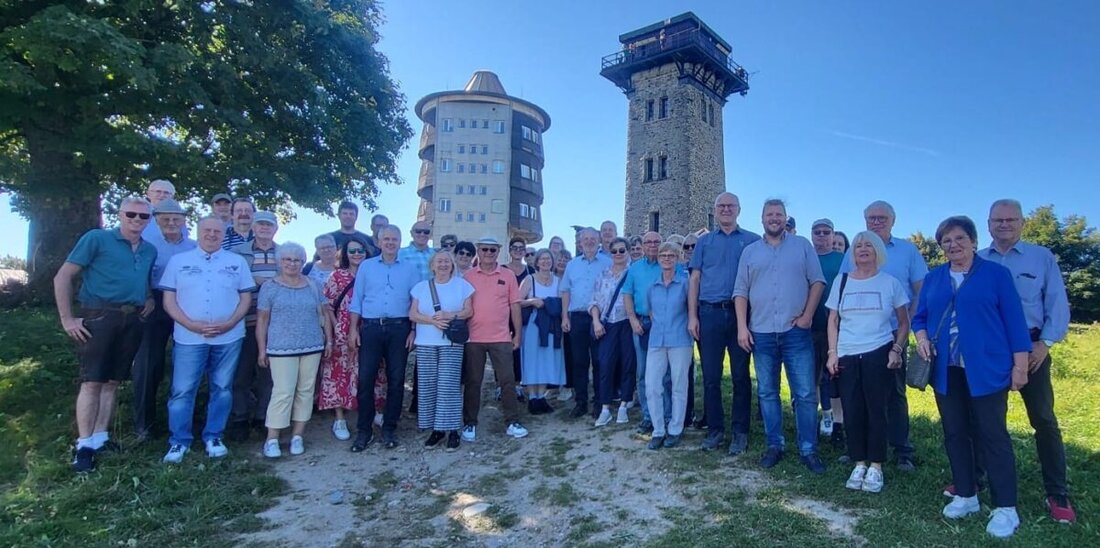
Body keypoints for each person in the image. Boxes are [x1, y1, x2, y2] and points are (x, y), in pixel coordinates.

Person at [912, 216, 1030, 539]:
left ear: (974, 242)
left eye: (960, 238)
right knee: (954, 432)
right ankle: (966, 494)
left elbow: (1015, 323)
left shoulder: (996, 275)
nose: (953, 245)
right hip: (946, 370)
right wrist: (921, 338)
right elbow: (920, 318)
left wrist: (1020, 367)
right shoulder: (935, 277)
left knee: (993, 435)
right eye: (946, 241)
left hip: (987, 370)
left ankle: (1006, 507)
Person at [978, 199, 1075, 523]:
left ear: (1022, 223)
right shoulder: (977, 261)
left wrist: (1044, 344)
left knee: (1043, 419)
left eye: (1010, 219)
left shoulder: (1041, 257)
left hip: (1032, 348)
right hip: (991, 352)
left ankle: (1057, 491)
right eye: (998, 220)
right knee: (986, 420)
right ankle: (974, 478)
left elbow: (1057, 303)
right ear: (988, 224)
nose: (1004, 225)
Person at [55, 197, 156, 473]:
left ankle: (101, 438)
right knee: (92, 381)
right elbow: (63, 277)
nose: (137, 220)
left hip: (132, 318)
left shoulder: (148, 250)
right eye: (131, 214)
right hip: (99, 315)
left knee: (112, 382)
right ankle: (84, 446)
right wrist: (67, 319)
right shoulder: (97, 239)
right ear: (120, 214)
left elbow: (142, 280)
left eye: (143, 216)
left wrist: (148, 298)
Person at [734, 199, 826, 474]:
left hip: (795, 332)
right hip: (761, 332)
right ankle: (774, 445)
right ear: (762, 219)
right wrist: (742, 327)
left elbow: (817, 282)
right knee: (767, 392)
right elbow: (740, 291)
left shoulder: (802, 246)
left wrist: (807, 316)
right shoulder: (750, 252)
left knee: (805, 393)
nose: (774, 218)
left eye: (779, 214)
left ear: (785, 218)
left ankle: (808, 449)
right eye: (769, 214)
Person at [841, 200, 928, 472]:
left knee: (894, 392)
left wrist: (908, 324)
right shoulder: (854, 250)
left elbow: (920, 290)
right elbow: (844, 289)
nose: (876, 222)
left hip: (893, 333)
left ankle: (902, 449)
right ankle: (859, 448)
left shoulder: (907, 250)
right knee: (859, 394)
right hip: (859, 336)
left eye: (882, 218)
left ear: (893, 220)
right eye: (871, 218)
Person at [160, 217, 254, 463]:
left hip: (229, 336)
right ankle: (179, 441)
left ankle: (214, 436)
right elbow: (169, 301)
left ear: (223, 234)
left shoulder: (236, 262)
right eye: (207, 230)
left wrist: (230, 322)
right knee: (183, 390)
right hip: (189, 337)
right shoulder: (179, 261)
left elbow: (245, 298)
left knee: (222, 388)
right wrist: (190, 324)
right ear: (198, 232)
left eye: (217, 231)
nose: (212, 235)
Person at [824, 231, 910, 493]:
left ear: (877, 251)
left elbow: (904, 322)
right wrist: (832, 352)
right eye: (858, 245)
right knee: (852, 409)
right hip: (847, 354)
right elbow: (833, 320)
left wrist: (897, 349)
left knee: (877, 410)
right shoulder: (842, 281)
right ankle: (859, 461)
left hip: (878, 351)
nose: (862, 249)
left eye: (868, 246)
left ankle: (876, 465)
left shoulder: (890, 283)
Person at [688, 192, 760, 454]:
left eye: (731, 206)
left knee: (741, 376)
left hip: (741, 315)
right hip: (710, 314)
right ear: (715, 210)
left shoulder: (753, 241)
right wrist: (693, 316)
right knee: (711, 377)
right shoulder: (704, 242)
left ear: (739, 210)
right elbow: (695, 280)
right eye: (721, 206)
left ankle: (740, 432)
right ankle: (715, 430)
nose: (726, 209)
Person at [255, 242, 331, 458]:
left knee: (306, 391)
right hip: (280, 348)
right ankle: (272, 438)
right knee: (283, 392)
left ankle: (298, 435)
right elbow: (262, 320)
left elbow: (324, 314)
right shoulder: (270, 287)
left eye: (297, 260)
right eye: (287, 259)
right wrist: (262, 349)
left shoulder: (313, 285)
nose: (292, 263)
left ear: (303, 262)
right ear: (280, 262)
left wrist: (329, 341)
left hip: (312, 345)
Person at [347, 225, 418, 451]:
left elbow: (415, 301)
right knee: (365, 379)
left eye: (394, 239)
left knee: (396, 380)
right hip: (371, 328)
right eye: (386, 239)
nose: (390, 242)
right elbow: (357, 300)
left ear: (400, 242)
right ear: (378, 242)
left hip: (399, 328)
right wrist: (353, 329)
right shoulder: (366, 266)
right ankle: (364, 430)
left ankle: (389, 428)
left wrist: (413, 329)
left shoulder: (410, 269)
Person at [132, 199, 196, 442]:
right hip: (155, 303)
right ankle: (144, 425)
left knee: (188, 363)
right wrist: (147, 296)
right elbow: (139, 276)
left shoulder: (193, 247)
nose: (171, 223)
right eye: (165, 218)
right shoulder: (147, 246)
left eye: (176, 218)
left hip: (187, 303)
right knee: (149, 364)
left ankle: (185, 422)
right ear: (156, 220)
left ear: (183, 221)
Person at [317, 236, 384, 440]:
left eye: (360, 250)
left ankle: (376, 410)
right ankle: (339, 418)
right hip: (343, 330)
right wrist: (336, 330)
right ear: (345, 254)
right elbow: (328, 306)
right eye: (352, 251)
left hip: (370, 328)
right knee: (340, 372)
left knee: (374, 371)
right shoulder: (337, 276)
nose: (356, 254)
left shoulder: (374, 273)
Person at [462, 236, 529, 440]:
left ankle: (512, 421)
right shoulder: (468, 276)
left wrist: (518, 334)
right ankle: (470, 423)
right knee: (473, 382)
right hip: (474, 338)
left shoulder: (508, 275)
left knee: (507, 381)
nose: (488, 253)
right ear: (478, 251)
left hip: (501, 337)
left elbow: (515, 306)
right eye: (484, 249)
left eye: (493, 250)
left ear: (498, 252)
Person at [409, 251, 474, 450]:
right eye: (439, 261)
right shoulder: (421, 287)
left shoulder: (462, 285)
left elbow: (468, 311)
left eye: (447, 261)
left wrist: (449, 315)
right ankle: (436, 429)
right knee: (428, 386)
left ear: (452, 265)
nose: (443, 265)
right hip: (426, 342)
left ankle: (452, 430)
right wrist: (432, 320)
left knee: (449, 386)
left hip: (451, 343)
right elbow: (413, 314)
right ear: (432, 265)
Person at [226, 210, 279, 441]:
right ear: (253, 228)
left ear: (275, 229)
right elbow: (230, 281)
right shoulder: (237, 253)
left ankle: (262, 417)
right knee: (241, 374)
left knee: (269, 375)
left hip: (275, 324)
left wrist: (267, 283)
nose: (265, 228)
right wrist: (256, 281)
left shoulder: (284, 253)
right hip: (245, 320)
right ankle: (240, 418)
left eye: (269, 225)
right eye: (261, 225)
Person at [644, 243, 693, 450]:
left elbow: (691, 309)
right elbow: (650, 312)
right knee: (652, 385)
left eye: (671, 255)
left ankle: (675, 429)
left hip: (680, 339)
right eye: (663, 255)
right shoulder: (652, 286)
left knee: (679, 385)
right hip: (657, 340)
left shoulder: (685, 284)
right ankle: (658, 430)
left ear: (677, 258)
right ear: (658, 258)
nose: (666, 258)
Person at [560, 228, 612, 418]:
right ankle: (581, 402)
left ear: (599, 241)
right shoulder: (572, 265)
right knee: (579, 361)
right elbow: (565, 291)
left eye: (592, 238)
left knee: (599, 361)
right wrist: (565, 317)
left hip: (600, 318)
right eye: (586, 239)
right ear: (580, 242)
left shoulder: (608, 262)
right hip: (578, 317)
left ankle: (599, 402)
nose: (589, 242)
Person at [622, 232, 670, 433]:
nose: (652, 245)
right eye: (648, 242)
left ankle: (666, 416)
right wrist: (632, 319)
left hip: (665, 325)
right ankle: (648, 416)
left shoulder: (670, 265)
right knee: (643, 373)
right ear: (642, 245)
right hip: (641, 324)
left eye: (656, 241)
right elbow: (627, 294)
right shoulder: (634, 268)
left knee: (665, 374)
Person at [590, 237, 636, 426]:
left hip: (627, 322)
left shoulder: (633, 273)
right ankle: (605, 408)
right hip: (608, 324)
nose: (618, 254)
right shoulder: (603, 275)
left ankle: (624, 404)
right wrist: (596, 321)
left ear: (628, 251)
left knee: (628, 363)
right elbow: (594, 301)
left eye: (622, 250)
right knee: (605, 364)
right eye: (614, 251)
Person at [810, 219, 846, 449]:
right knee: (809, 378)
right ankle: (811, 423)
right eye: (817, 232)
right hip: (808, 328)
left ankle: (838, 425)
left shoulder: (843, 260)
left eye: (826, 232)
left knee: (834, 378)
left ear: (833, 235)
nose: (822, 236)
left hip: (837, 329)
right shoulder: (806, 257)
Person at [518, 249, 565, 413]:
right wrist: (532, 301)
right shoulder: (529, 279)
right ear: (537, 262)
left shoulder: (558, 281)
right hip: (534, 323)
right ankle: (532, 397)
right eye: (542, 259)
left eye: (548, 259)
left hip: (552, 324)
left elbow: (563, 301)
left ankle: (541, 396)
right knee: (532, 359)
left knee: (547, 358)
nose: (546, 262)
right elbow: (517, 300)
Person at [505, 236, 534, 399]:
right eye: (514, 248)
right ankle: (501, 385)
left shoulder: (531, 271)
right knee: (503, 352)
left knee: (520, 351)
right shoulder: (502, 269)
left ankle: (517, 384)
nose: (517, 251)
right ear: (509, 250)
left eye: (521, 248)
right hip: (503, 316)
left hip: (524, 316)